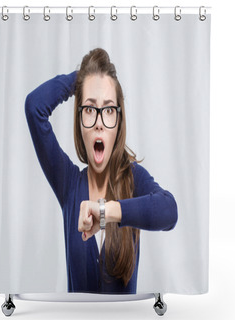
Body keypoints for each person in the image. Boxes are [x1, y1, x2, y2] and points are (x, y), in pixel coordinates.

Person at [25, 48, 178, 294]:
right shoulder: (69, 184)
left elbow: (169, 212)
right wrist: (82, 78)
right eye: (89, 109)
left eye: (108, 110)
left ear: (118, 123)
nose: (98, 122)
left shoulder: (134, 179)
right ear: (79, 121)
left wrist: (106, 212)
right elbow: (35, 107)